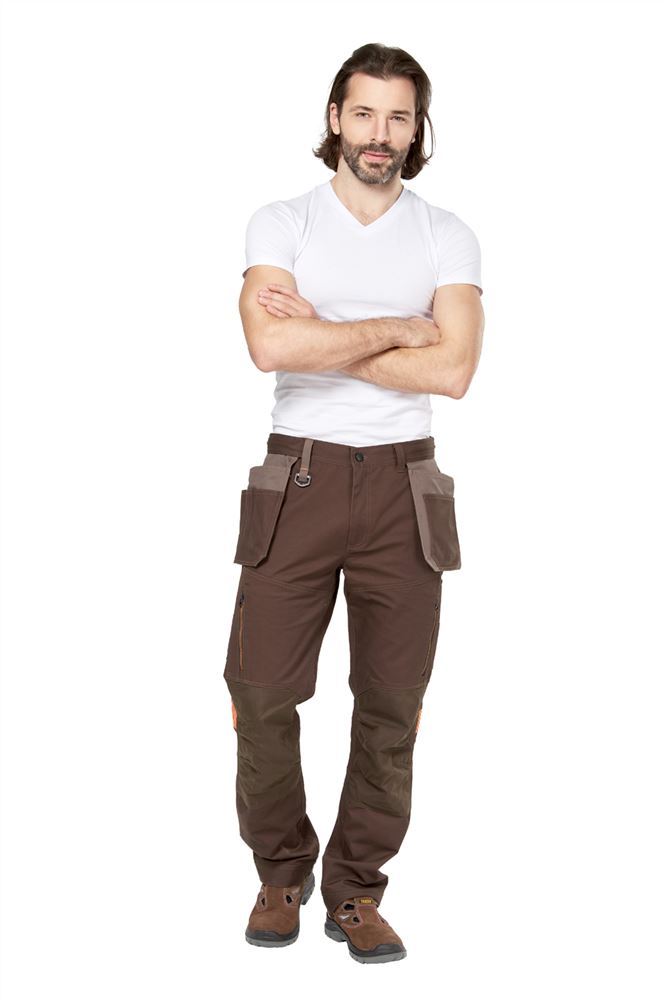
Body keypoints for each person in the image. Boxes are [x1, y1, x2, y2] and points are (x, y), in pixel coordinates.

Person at [224, 41, 484, 965]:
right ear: (335, 118)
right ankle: (280, 873)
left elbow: (452, 371)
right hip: (296, 475)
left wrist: (328, 334)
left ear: (416, 131)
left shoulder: (445, 234)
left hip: (406, 485)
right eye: (364, 113)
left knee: (391, 704)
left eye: (398, 117)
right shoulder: (281, 222)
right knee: (260, 691)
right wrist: (400, 329)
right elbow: (269, 349)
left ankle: (356, 889)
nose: (380, 133)